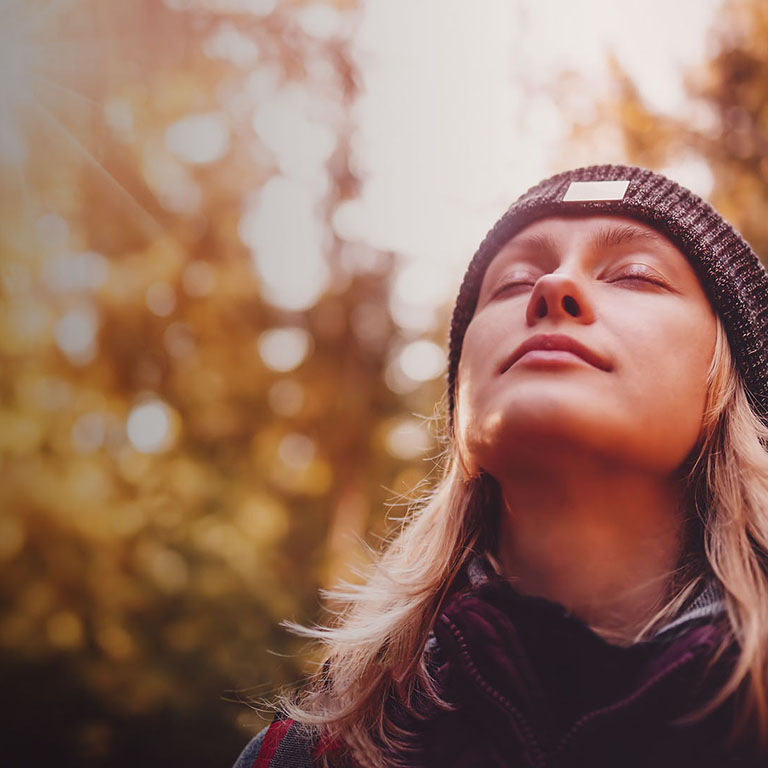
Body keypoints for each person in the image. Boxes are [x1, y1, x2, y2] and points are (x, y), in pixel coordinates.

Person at [233, 164, 768, 767]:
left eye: (636, 275)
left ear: (731, 382)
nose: (554, 287)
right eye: (513, 282)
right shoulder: (310, 753)